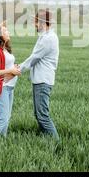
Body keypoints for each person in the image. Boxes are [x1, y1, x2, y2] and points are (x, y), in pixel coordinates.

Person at [19, 9, 60, 140]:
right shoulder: (45, 36)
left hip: (43, 81)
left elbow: (34, 58)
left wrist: (17, 69)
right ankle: (47, 141)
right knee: (39, 115)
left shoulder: (48, 39)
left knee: (42, 116)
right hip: (40, 80)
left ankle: (56, 143)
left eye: (36, 22)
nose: (34, 25)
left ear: (42, 22)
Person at [0, 22, 21, 137]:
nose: (8, 32)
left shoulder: (5, 48)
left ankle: (2, 143)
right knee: (2, 119)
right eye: (5, 30)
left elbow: (7, 65)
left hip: (10, 87)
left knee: (7, 118)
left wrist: (14, 68)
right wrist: (10, 71)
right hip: (2, 87)